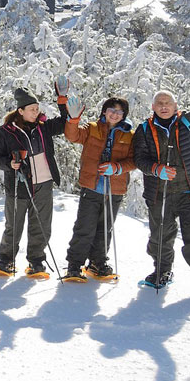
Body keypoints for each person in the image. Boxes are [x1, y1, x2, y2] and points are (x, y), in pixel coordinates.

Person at [133, 64, 190, 296]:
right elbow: (139, 159)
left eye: (168, 103)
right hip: (158, 193)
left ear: (175, 106)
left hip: (189, 192)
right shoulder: (144, 130)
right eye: (159, 103)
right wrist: (156, 169)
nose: (164, 107)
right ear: (153, 107)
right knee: (160, 236)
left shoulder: (187, 122)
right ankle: (162, 272)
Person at [0, 84, 70, 279]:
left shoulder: (44, 127)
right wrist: (9, 164)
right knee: (14, 225)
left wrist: (62, 102)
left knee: (41, 225)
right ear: (21, 111)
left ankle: (36, 260)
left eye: (37, 108)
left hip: (44, 182)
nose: (36, 112)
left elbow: (64, 123)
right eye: (32, 109)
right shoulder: (6, 131)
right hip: (19, 184)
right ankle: (6, 260)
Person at [60, 92, 135, 282]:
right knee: (84, 227)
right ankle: (74, 265)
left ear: (124, 115)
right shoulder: (92, 128)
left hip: (114, 189)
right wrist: (73, 120)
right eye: (111, 110)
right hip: (92, 186)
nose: (115, 114)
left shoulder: (130, 135)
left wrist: (117, 168)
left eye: (119, 112)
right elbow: (73, 135)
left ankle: (97, 262)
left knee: (105, 229)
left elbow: (134, 161)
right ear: (104, 111)